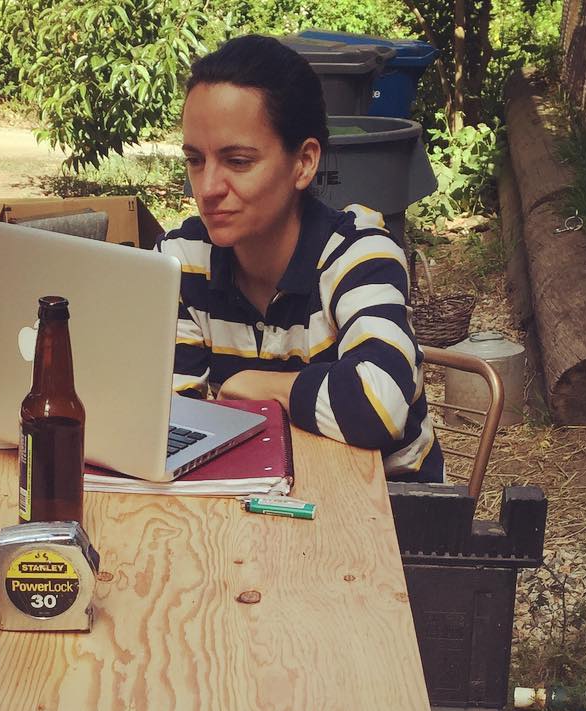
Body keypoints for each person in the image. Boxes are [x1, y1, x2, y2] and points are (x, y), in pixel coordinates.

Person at [158, 34, 443, 482]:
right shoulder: (181, 262)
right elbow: (173, 419)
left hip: (389, 511)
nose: (208, 187)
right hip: (256, 495)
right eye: (195, 160)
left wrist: (259, 386)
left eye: (237, 161)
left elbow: (379, 407)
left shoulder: (359, 255)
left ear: (305, 162)